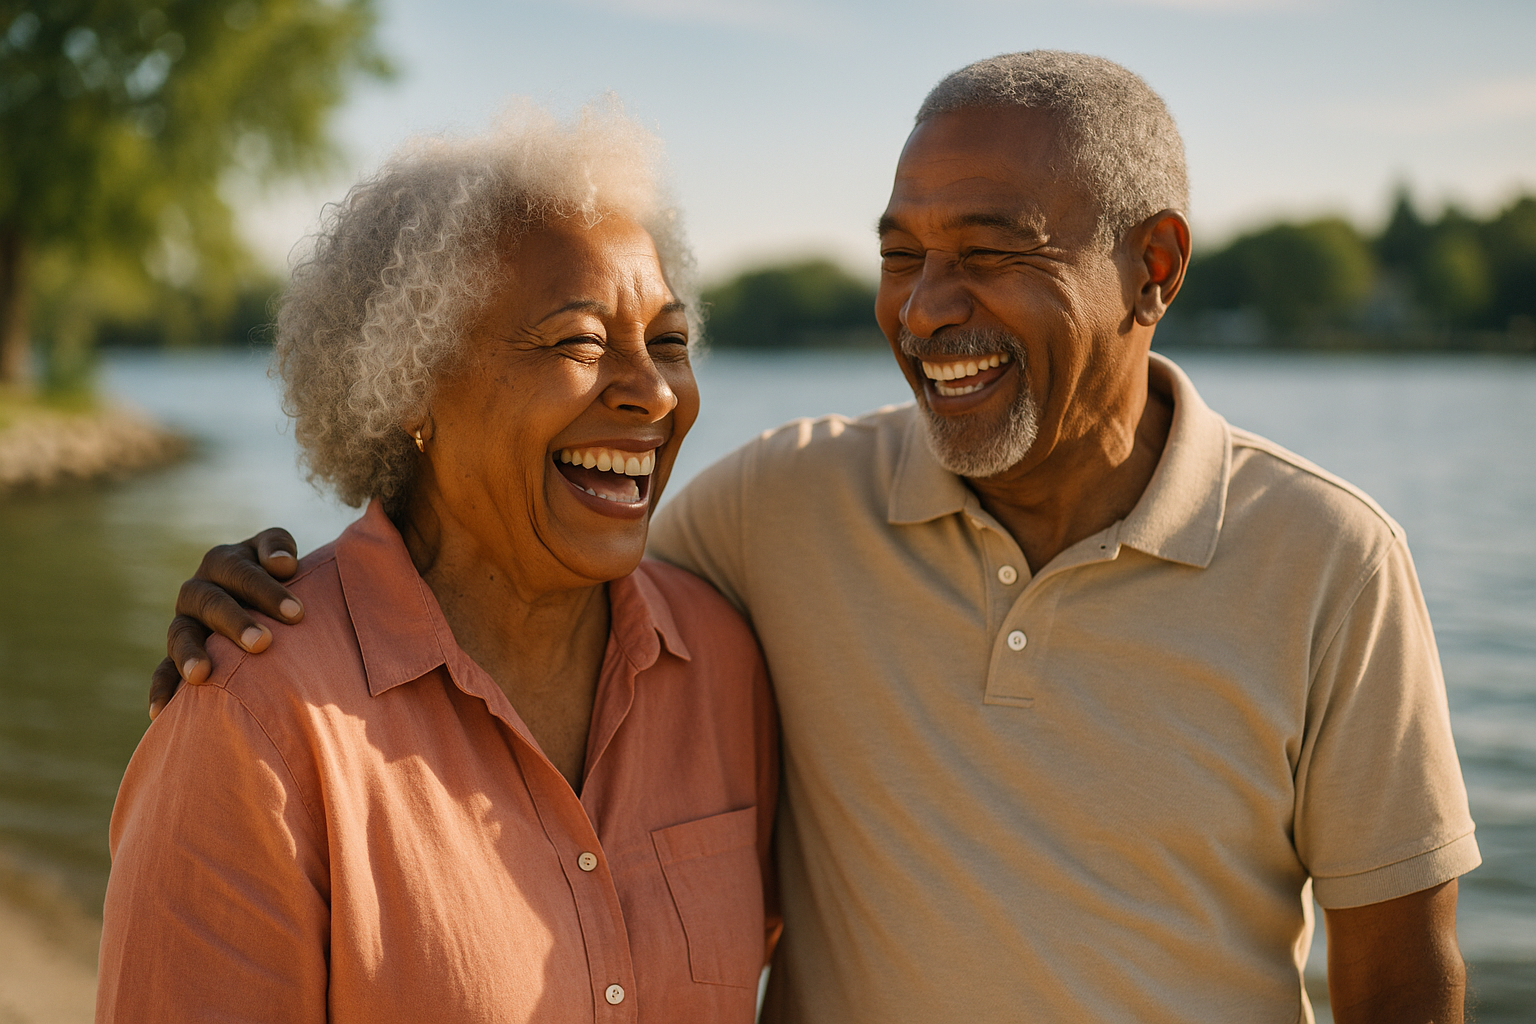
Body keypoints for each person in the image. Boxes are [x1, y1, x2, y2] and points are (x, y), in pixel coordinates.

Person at [150, 53, 1479, 1024]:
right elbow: (509, 543)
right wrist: (280, 604)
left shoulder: (1332, 562)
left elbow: (1403, 984)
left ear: (1157, 267)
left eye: (991, 251)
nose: (927, 308)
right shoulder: (777, 514)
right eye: (901, 254)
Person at [99, 106, 779, 1024]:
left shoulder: (725, 662)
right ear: (412, 385)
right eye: (579, 341)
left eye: (668, 342)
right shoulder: (254, 722)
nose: (652, 390)